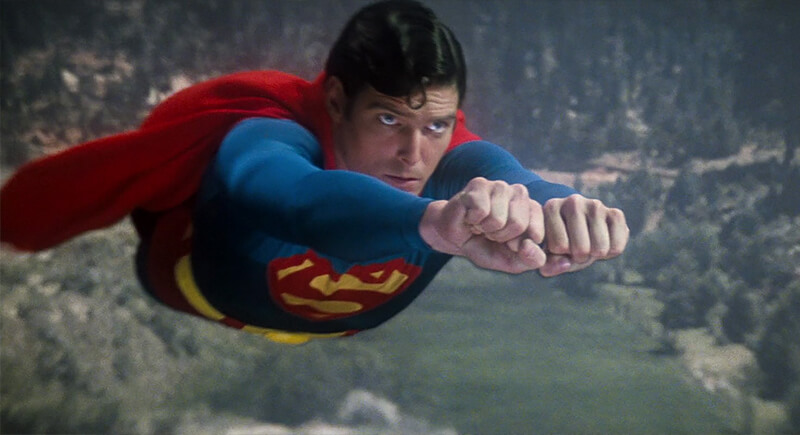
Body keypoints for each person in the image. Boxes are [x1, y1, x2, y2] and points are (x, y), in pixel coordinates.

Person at [0, 0, 628, 344]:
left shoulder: (454, 160)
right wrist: (433, 224)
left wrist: (559, 209)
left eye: (436, 124)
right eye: (388, 119)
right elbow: (295, 197)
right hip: (191, 283)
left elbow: (507, 174)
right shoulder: (268, 135)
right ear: (334, 102)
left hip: (327, 324)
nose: (413, 154)